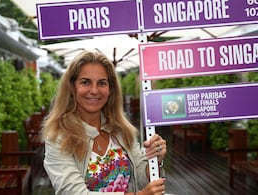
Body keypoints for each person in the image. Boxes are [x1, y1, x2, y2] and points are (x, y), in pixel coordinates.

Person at [42, 51, 167, 195]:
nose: (94, 90)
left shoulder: (122, 130)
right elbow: (73, 192)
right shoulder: (58, 137)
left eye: (102, 83)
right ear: (72, 87)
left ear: (110, 90)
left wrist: (155, 161)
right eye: (85, 82)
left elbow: (141, 178)